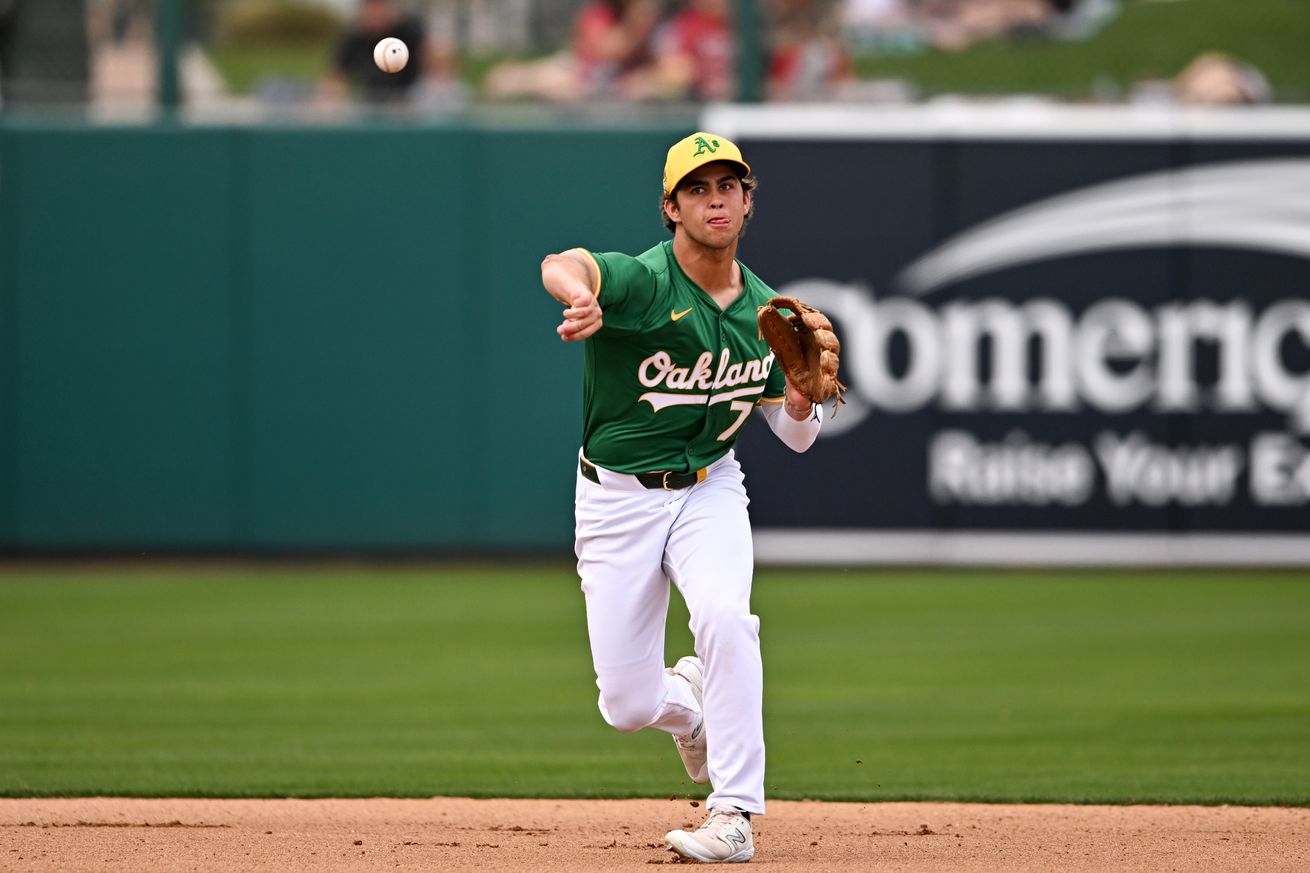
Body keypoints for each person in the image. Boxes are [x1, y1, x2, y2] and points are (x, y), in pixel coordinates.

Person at [540, 132, 825, 863]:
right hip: (617, 499)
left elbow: (796, 439)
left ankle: (732, 813)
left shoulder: (767, 313)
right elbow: (562, 262)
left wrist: (797, 401)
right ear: (671, 207)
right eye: (697, 188)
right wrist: (579, 296)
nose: (716, 197)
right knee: (628, 705)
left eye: (729, 184)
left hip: (709, 488)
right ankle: (688, 706)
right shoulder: (642, 282)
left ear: (749, 199)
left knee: (728, 618)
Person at [482, 0, 662, 103]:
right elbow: (608, 49)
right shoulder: (599, 13)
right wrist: (636, 21)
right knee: (507, 80)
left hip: (603, 86)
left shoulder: (642, 21)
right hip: (576, 71)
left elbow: (655, 63)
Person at [321, 0, 459, 105]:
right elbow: (336, 76)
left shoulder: (409, 29)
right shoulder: (354, 37)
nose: (375, 13)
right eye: (371, 7)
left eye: (380, 6)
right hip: (370, 102)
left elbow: (435, 60)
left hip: (411, 102)